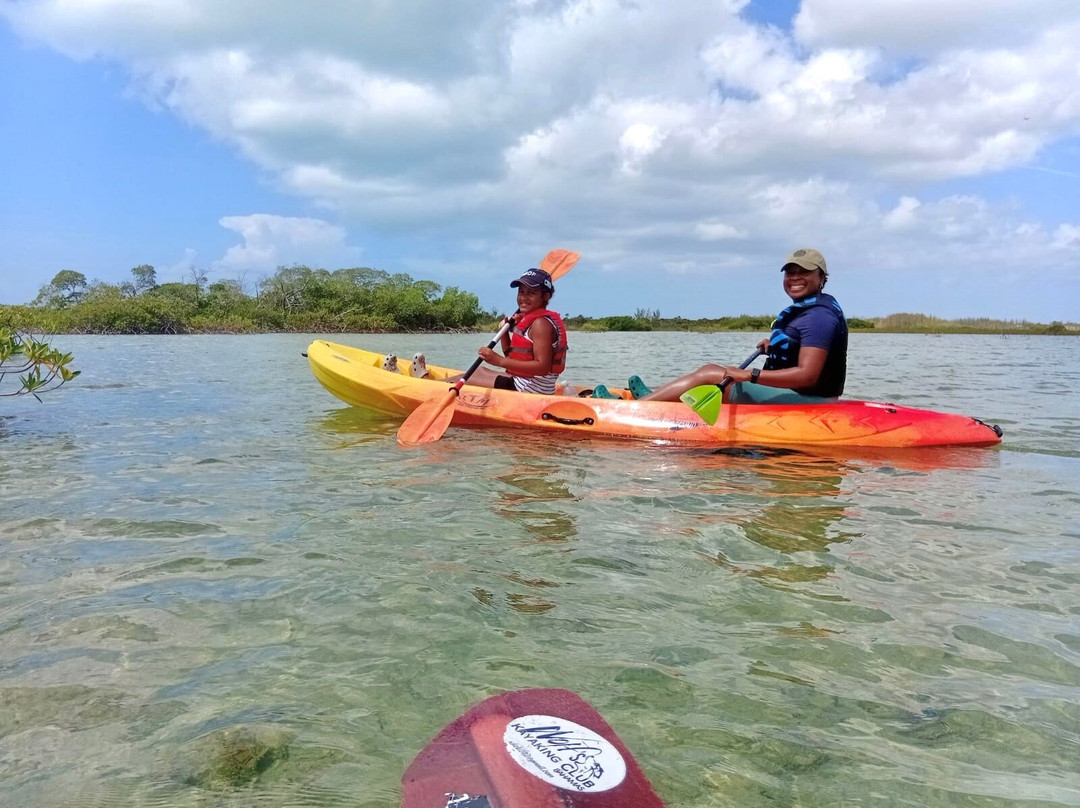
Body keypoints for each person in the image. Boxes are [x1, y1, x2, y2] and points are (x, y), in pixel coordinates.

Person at [638, 248, 847, 404]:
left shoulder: (819, 317)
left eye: (804, 272)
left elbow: (807, 375)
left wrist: (751, 375)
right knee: (711, 370)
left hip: (810, 401)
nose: (794, 278)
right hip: (801, 394)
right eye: (790, 272)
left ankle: (638, 408)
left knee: (709, 375)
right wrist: (780, 346)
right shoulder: (811, 310)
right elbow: (809, 347)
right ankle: (656, 398)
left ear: (821, 278)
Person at [448, 267, 569, 395]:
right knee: (480, 370)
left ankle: (427, 382)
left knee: (461, 379)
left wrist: (498, 360)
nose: (524, 298)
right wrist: (504, 333)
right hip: (523, 381)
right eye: (521, 292)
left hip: (529, 389)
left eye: (531, 293)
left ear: (546, 296)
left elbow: (542, 367)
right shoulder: (529, 320)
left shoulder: (540, 324)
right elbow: (511, 358)